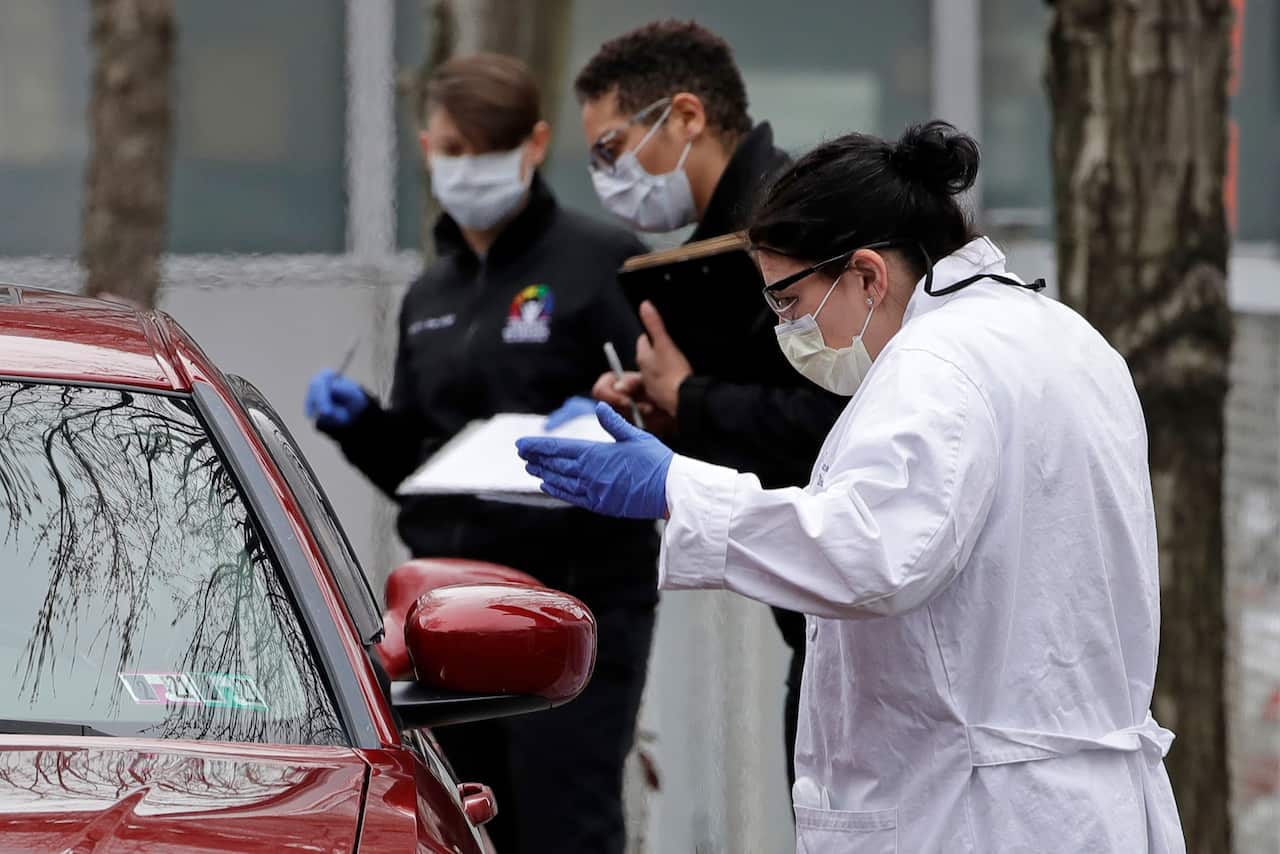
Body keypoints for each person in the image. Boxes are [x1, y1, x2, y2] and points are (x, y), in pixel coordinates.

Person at [518, 121, 1187, 853]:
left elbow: (871, 554)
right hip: (1071, 806)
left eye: (788, 300)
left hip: (974, 812)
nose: (788, 327)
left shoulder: (934, 364)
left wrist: (679, 488)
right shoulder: (1066, 338)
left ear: (867, 274)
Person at [305, 53, 656, 854]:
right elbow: (423, 470)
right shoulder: (430, 294)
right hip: (449, 610)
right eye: (454, 148)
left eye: (489, 147)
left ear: (535, 145)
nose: (470, 167)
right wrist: (361, 425)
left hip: (572, 595)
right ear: (426, 148)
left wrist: (606, 415)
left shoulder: (599, 261)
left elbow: (661, 406)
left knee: (565, 816)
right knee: (461, 817)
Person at [559, 19, 847, 787]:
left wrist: (690, 399)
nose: (606, 177)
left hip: (870, 641)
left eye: (611, 148)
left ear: (686, 116)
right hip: (824, 636)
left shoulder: (790, 227)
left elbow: (836, 429)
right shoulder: (718, 247)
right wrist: (668, 418)